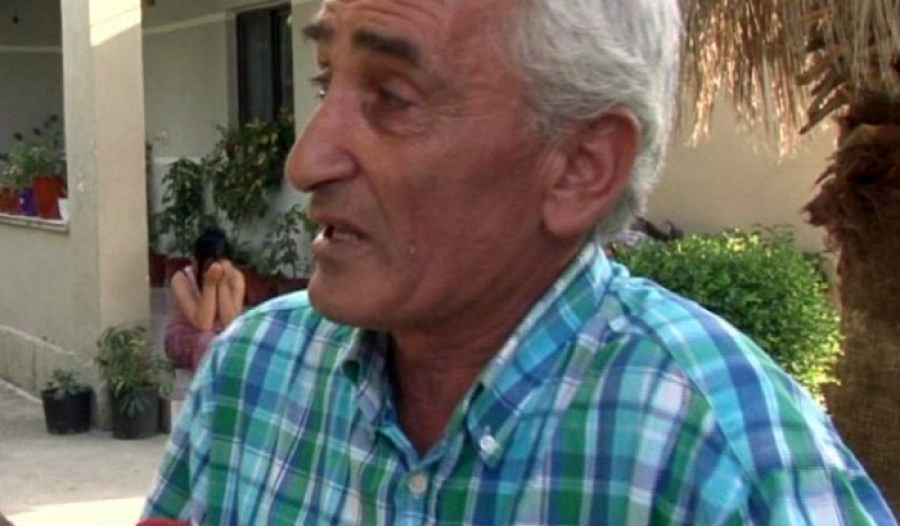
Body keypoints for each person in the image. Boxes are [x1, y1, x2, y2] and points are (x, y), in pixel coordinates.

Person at [144, 0, 896, 524]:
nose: (307, 160)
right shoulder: (252, 372)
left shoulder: (727, 462)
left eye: (393, 97)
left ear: (578, 168)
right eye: (323, 80)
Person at [164, 227, 245, 371]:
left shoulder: (236, 278)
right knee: (207, 341)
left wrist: (223, 284)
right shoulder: (181, 279)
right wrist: (209, 285)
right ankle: (207, 377)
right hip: (187, 335)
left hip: (220, 334)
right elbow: (203, 324)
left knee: (243, 342)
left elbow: (231, 323)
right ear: (194, 262)